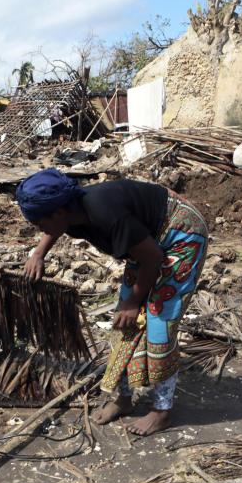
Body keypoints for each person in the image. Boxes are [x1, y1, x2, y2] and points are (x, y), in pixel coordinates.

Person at [16, 168, 208, 436]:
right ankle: (124, 399)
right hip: (144, 242)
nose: (40, 230)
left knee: (159, 320)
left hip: (179, 234)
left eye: (39, 224)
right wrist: (39, 253)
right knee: (123, 322)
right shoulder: (70, 212)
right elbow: (54, 227)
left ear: (59, 212)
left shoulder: (104, 213)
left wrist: (135, 301)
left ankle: (161, 412)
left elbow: (152, 257)